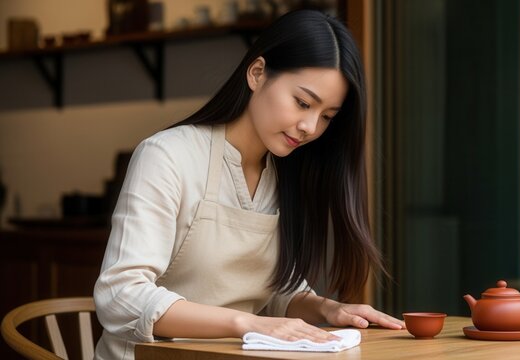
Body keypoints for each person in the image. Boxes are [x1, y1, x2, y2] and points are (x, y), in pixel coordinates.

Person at [93, 9, 404, 360]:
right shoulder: (168, 156)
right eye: (303, 103)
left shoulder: (285, 171)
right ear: (257, 73)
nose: (310, 127)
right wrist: (246, 324)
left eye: (327, 116)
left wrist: (327, 310)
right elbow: (121, 296)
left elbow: (273, 293)